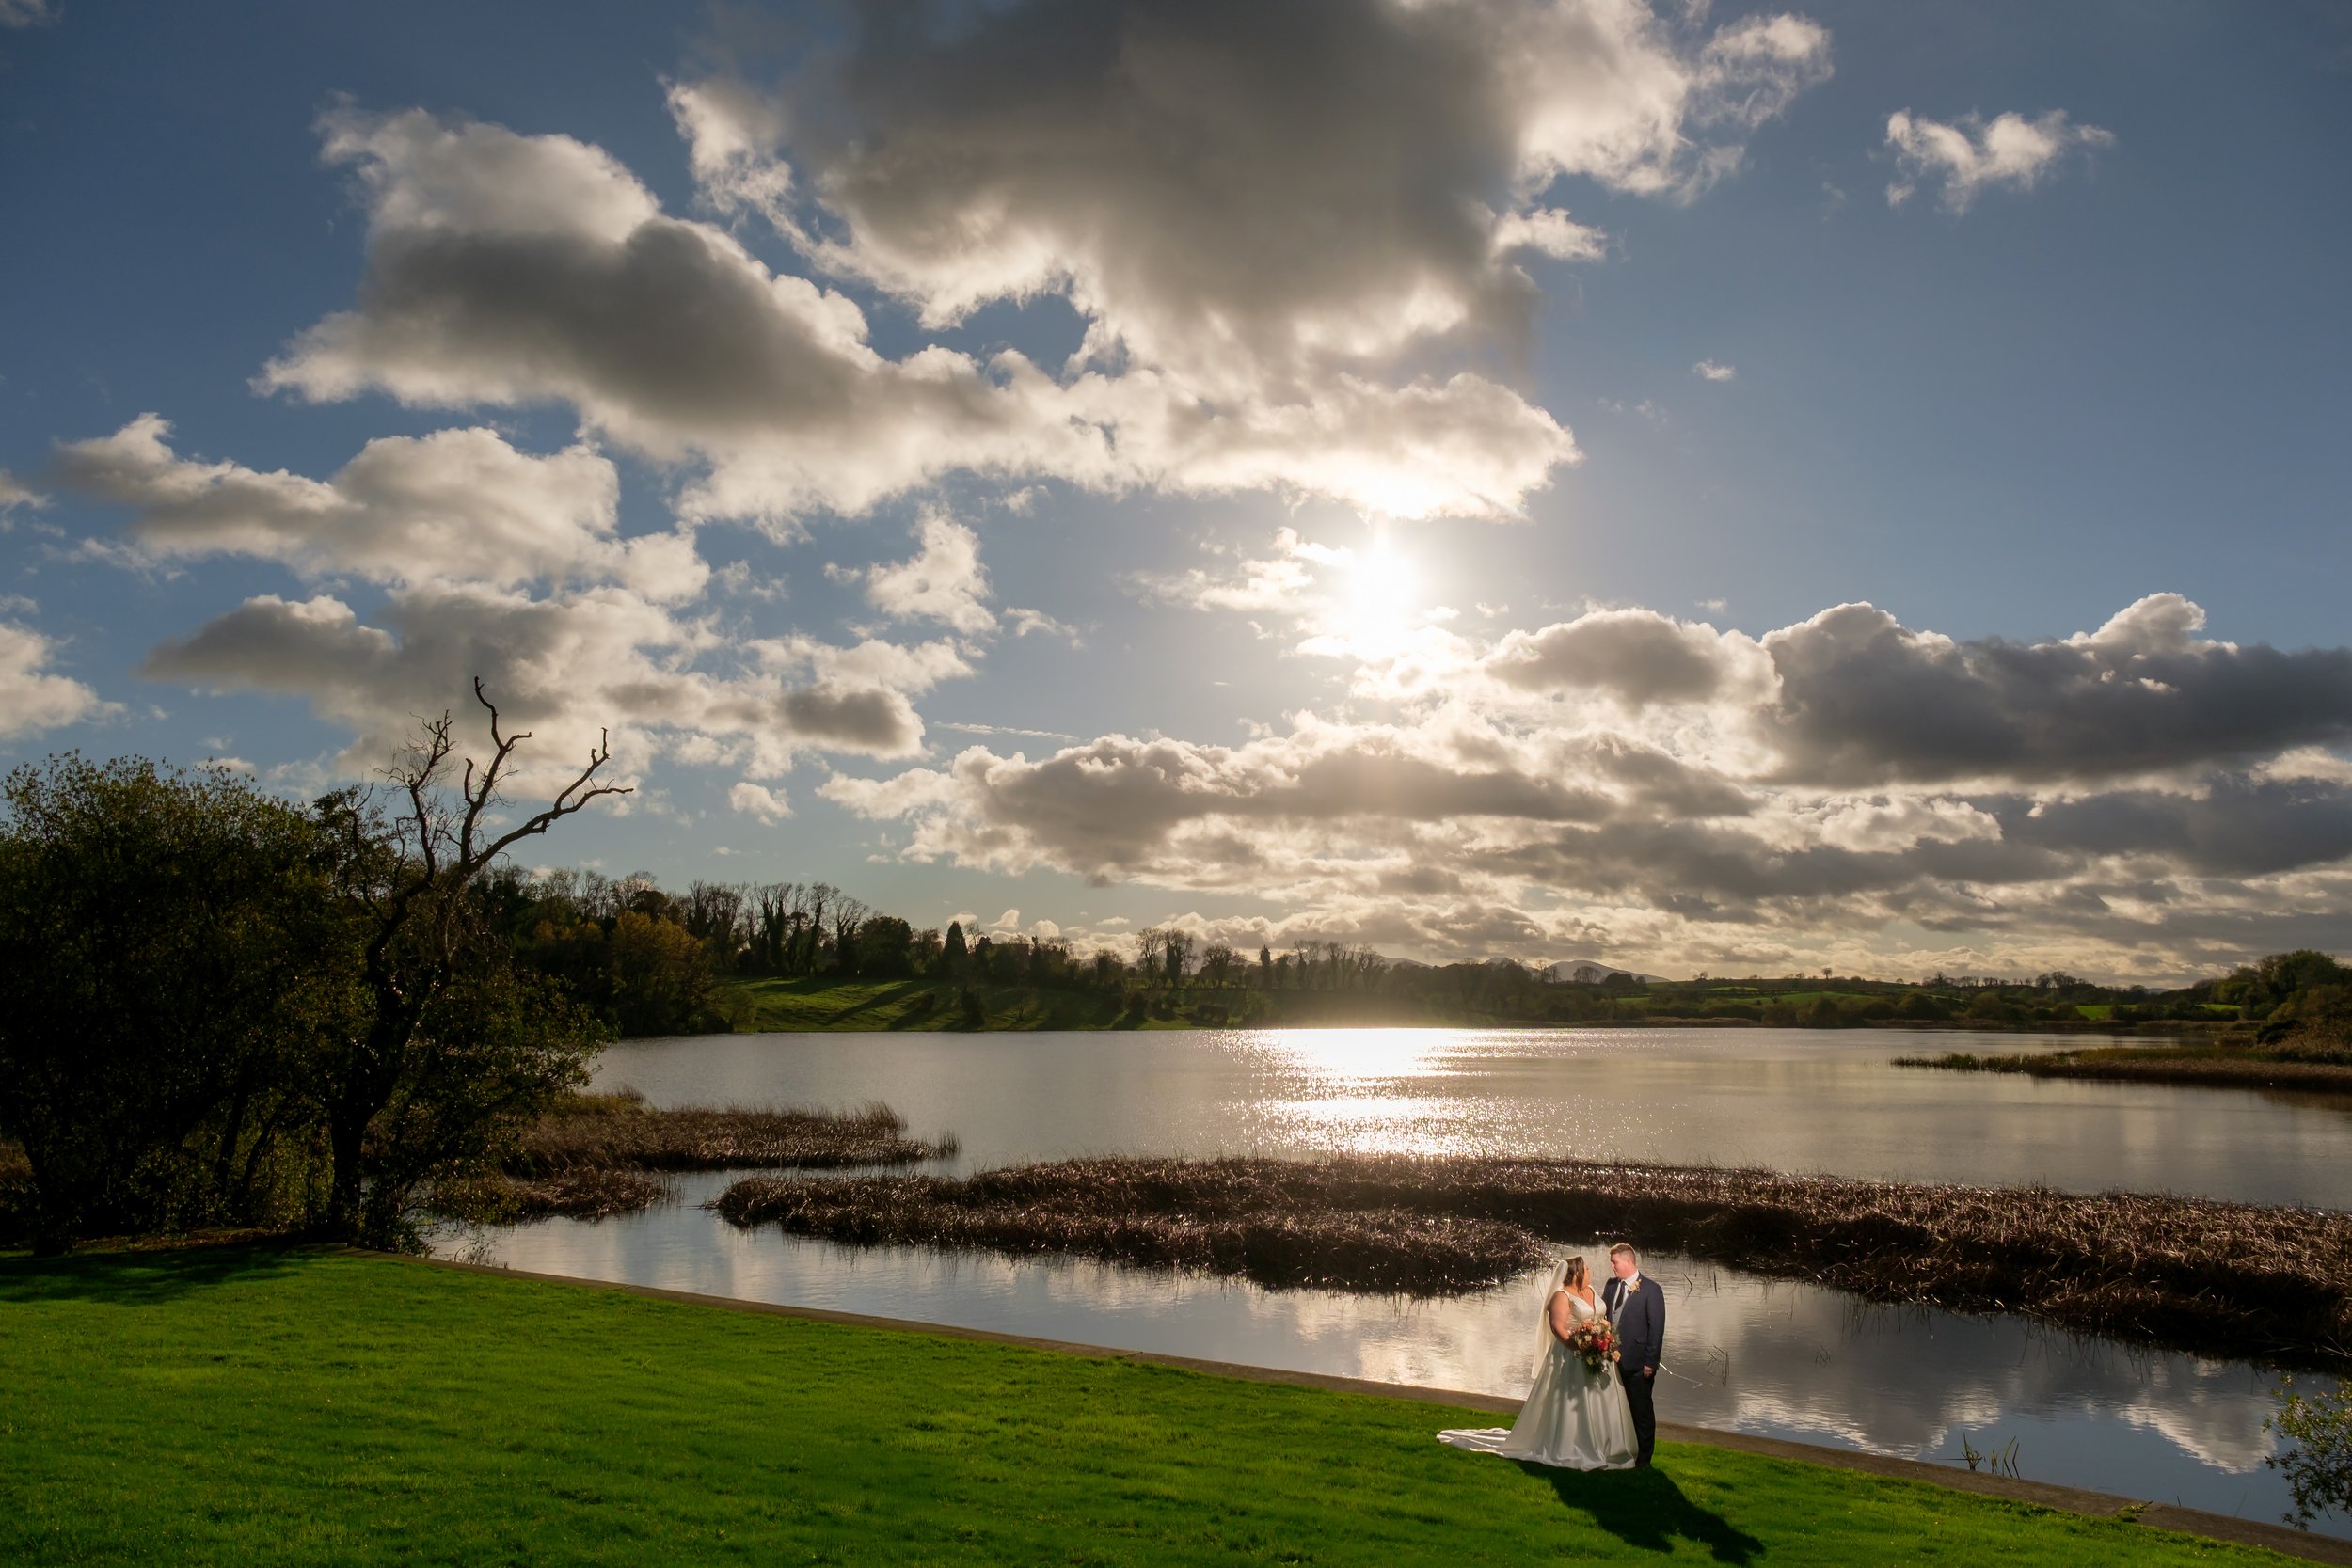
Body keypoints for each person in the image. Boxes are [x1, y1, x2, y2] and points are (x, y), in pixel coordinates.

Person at [1437, 1254, 1638, 1470]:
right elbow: (1558, 1327)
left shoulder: (1590, 1291)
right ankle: (1574, 1445)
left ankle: (1608, 1445)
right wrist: (1582, 1347)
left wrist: (1603, 1339)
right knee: (1575, 1403)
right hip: (1573, 1356)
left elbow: (1600, 1319)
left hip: (1599, 1356)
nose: (1590, 1272)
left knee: (1602, 1401)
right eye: (1587, 1269)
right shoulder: (1561, 1296)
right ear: (1576, 1273)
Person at [1601, 1242, 1664, 1466]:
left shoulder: (1651, 1289)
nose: (1612, 1267)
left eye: (1615, 1262)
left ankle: (1644, 1460)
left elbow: (1656, 1328)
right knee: (1615, 1410)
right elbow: (1605, 1319)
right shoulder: (1611, 1286)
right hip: (1612, 1361)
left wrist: (1651, 1361)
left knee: (1641, 1412)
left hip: (1639, 1363)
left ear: (1628, 1262)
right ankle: (1621, 1451)